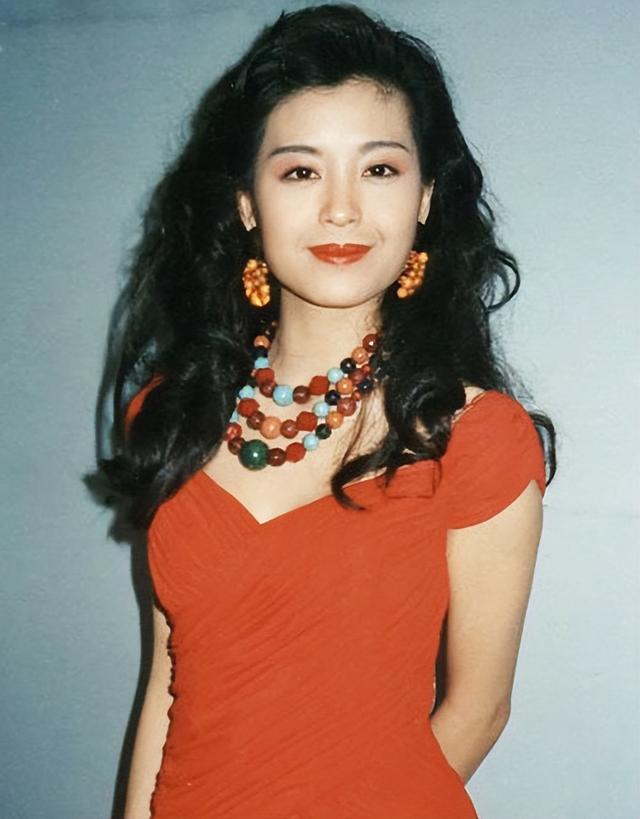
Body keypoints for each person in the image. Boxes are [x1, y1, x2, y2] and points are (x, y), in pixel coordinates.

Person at [97, 4, 556, 818]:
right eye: (300, 172)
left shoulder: (475, 437)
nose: (341, 209)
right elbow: (168, 679)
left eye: (379, 169)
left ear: (424, 198)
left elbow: (478, 710)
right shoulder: (170, 412)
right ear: (247, 203)